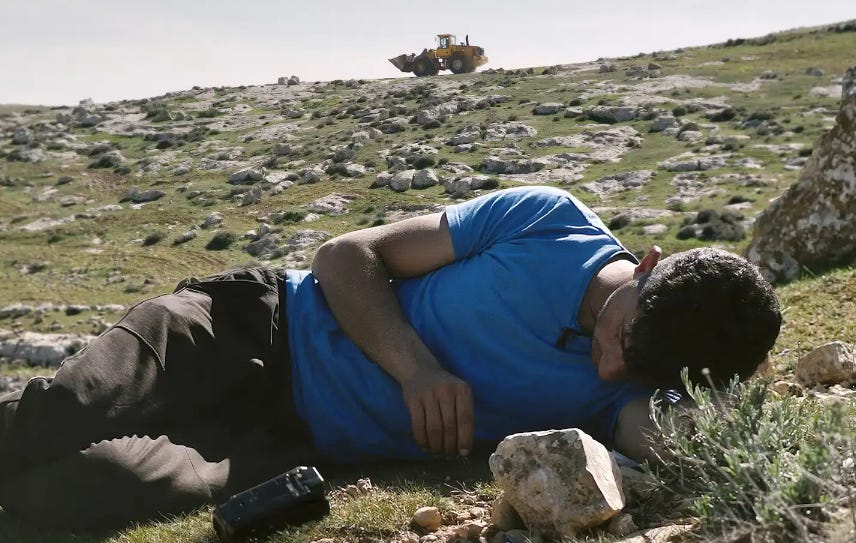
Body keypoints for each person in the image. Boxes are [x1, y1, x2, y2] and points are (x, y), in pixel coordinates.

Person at [0, 185, 781, 531]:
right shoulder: (550, 222)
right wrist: (416, 368)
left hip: (286, 443)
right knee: (62, 412)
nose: (610, 370)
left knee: (94, 490)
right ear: (647, 264)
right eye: (624, 338)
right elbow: (345, 255)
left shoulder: (621, 397)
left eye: (641, 371)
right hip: (249, 325)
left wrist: (739, 376)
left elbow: (688, 442)